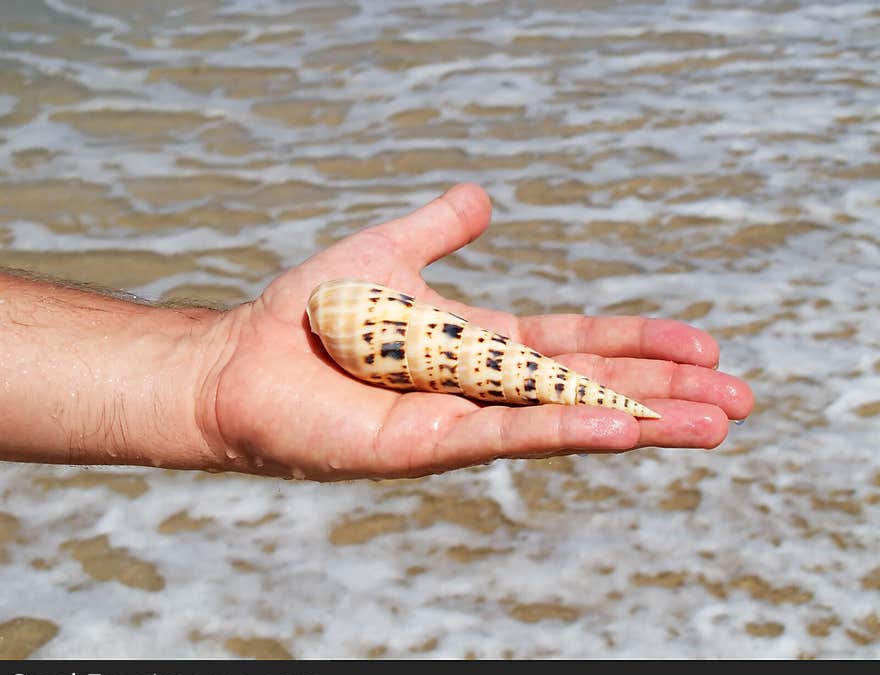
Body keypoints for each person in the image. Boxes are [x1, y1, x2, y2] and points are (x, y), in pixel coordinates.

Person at [0, 184, 752, 481]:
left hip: (380, 337)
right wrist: (206, 369)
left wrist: (206, 366)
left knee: (513, 376)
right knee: (519, 376)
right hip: (376, 334)